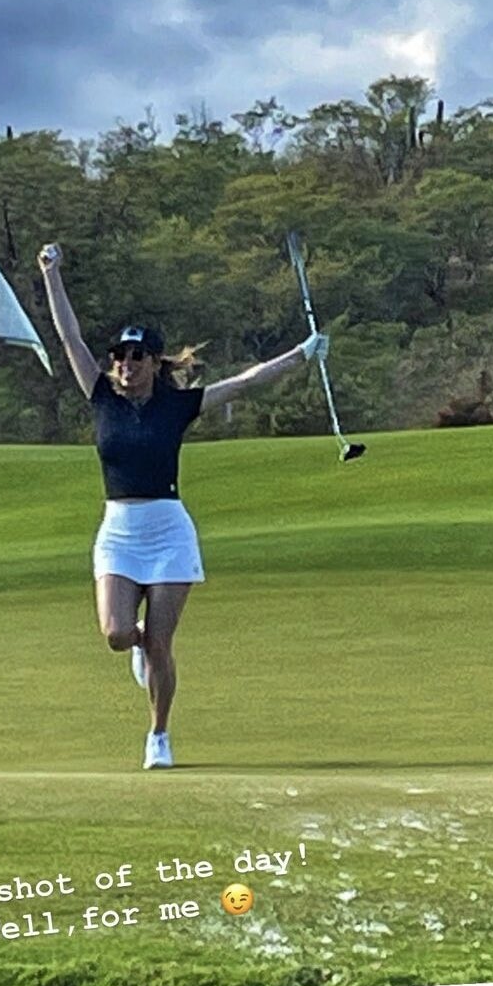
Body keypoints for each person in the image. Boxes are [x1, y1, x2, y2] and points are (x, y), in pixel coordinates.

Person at [37, 242, 327, 770]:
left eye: (136, 357)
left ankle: (159, 735)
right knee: (117, 634)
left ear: (154, 362)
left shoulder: (177, 406)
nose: (125, 364)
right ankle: (136, 647)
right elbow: (69, 337)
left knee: (161, 643)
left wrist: (302, 354)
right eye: (120, 357)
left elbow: (245, 383)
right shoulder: (101, 396)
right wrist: (51, 274)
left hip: (169, 532)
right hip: (119, 531)